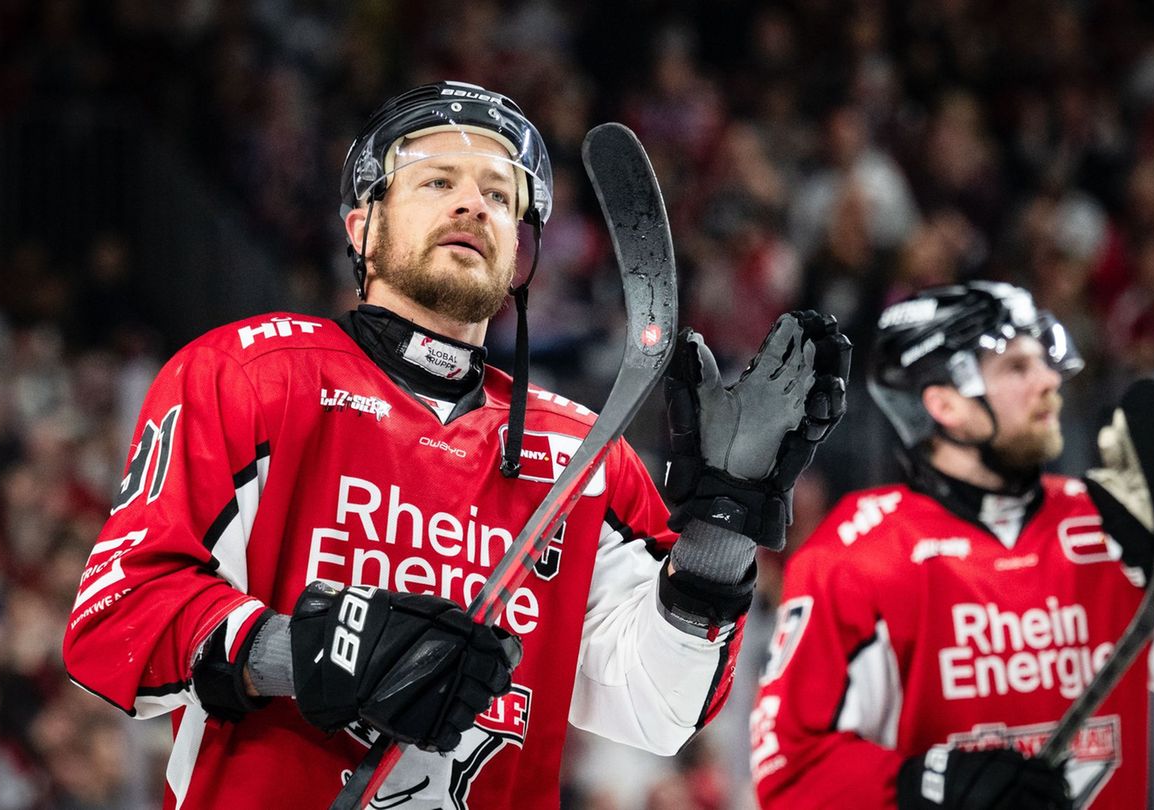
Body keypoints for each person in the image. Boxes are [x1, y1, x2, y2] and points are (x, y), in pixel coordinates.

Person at [61, 80, 848, 809]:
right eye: (437, 181)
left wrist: (723, 527)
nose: (473, 202)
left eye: (501, 195)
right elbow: (116, 618)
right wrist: (313, 653)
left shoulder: (583, 455)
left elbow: (660, 705)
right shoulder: (252, 375)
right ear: (361, 225)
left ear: (519, 256)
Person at [750, 281, 1154, 809]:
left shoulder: (1112, 526)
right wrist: (926, 784)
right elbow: (788, 774)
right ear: (945, 405)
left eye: (1044, 361)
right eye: (1016, 367)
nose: (1049, 381)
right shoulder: (856, 555)